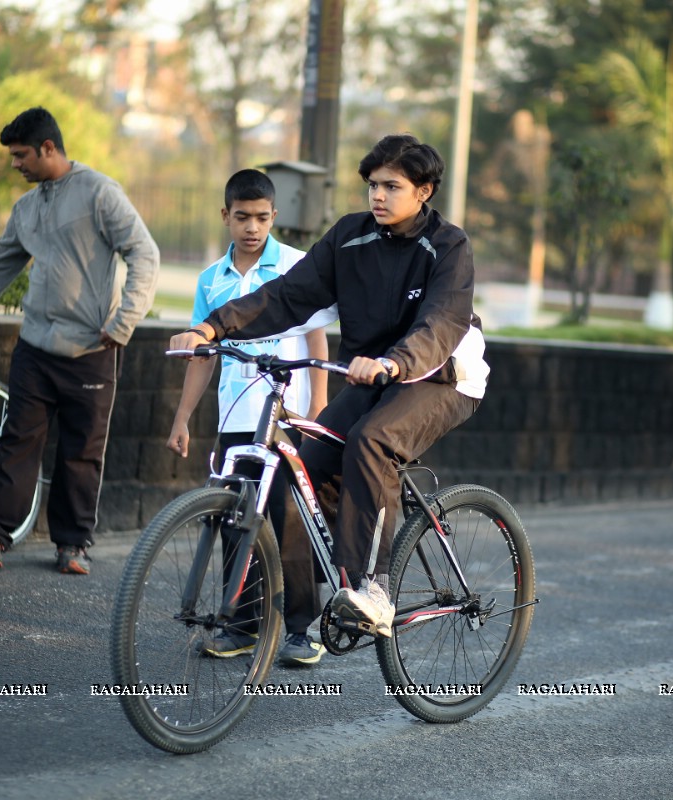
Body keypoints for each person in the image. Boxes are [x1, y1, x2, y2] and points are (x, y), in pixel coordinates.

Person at [170, 134, 489, 637]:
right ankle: (302, 615)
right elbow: (287, 296)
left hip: (443, 375)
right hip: (372, 373)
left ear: (424, 191)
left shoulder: (448, 246)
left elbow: (440, 325)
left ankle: (375, 590)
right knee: (303, 471)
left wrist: (394, 363)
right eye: (372, 185)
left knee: (372, 440)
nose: (377, 196)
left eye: (392, 186)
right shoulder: (349, 236)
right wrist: (213, 327)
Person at [0, 107, 159, 575]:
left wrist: (125, 321)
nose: (14, 163)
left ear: (48, 148)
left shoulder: (100, 193)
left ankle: (72, 545)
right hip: (35, 349)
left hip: (93, 350)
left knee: (82, 451)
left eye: (20, 154)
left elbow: (144, 252)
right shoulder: (26, 208)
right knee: (16, 441)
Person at [167, 168, 330, 666]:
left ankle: (302, 629)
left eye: (262, 217)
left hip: (286, 413)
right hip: (233, 418)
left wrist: (319, 406)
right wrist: (183, 418)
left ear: (274, 216)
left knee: (288, 519)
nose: (252, 227)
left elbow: (316, 335)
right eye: (242, 217)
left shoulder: (296, 266)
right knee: (235, 517)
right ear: (226, 217)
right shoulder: (210, 280)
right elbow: (203, 354)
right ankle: (240, 623)